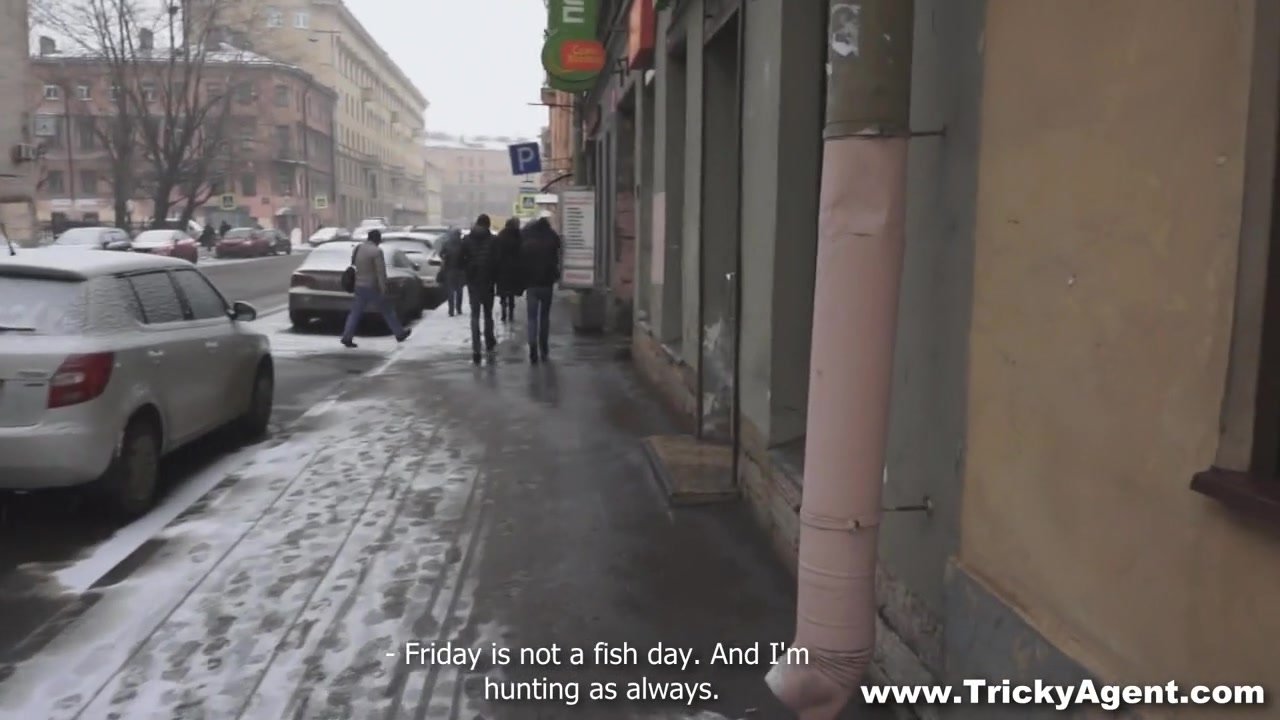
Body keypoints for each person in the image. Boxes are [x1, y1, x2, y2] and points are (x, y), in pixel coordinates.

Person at [340, 229, 411, 349]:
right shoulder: (376, 251)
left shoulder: (358, 248)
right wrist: (383, 288)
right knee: (387, 311)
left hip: (359, 285)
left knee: (355, 313)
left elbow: (354, 265)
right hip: (372, 286)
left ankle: (347, 337)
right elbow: (380, 272)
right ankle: (399, 334)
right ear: (377, 239)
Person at [457, 214, 500, 364]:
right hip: (488, 282)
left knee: (475, 315)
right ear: (488, 225)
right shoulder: (493, 240)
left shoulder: (467, 240)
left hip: (473, 282)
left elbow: (460, 260)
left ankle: (476, 348)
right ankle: (489, 345)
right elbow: (497, 261)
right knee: (488, 314)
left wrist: (467, 271)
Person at [519, 217, 562, 364]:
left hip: (531, 285)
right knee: (544, 317)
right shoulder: (551, 238)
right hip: (546, 284)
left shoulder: (528, 241)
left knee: (532, 318)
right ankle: (544, 348)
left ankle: (532, 345)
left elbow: (522, 261)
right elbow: (558, 251)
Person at [495, 218, 524, 322]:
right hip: (514, 269)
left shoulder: (501, 235)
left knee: (503, 292)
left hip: (502, 269)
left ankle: (503, 311)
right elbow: (521, 251)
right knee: (511, 293)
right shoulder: (518, 235)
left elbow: (496, 252)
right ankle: (511, 313)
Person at [438, 227, 466, 316]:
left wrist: (445, 257)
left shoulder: (447, 243)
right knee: (459, 290)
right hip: (460, 270)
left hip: (449, 269)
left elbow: (441, 254)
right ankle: (459, 308)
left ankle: (451, 310)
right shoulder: (462, 244)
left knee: (450, 290)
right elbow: (467, 255)